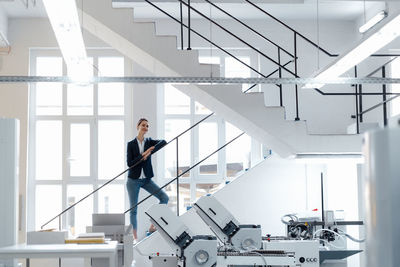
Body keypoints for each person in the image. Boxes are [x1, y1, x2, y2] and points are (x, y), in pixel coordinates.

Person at [126, 118, 169, 240]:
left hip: (146, 179)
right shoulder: (131, 144)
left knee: (164, 198)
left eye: (147, 126)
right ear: (138, 126)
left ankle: (152, 226)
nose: (145, 127)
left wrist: (150, 150)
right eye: (143, 125)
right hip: (133, 180)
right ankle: (134, 237)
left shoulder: (149, 141)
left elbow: (164, 141)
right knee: (133, 210)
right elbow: (130, 163)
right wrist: (143, 156)